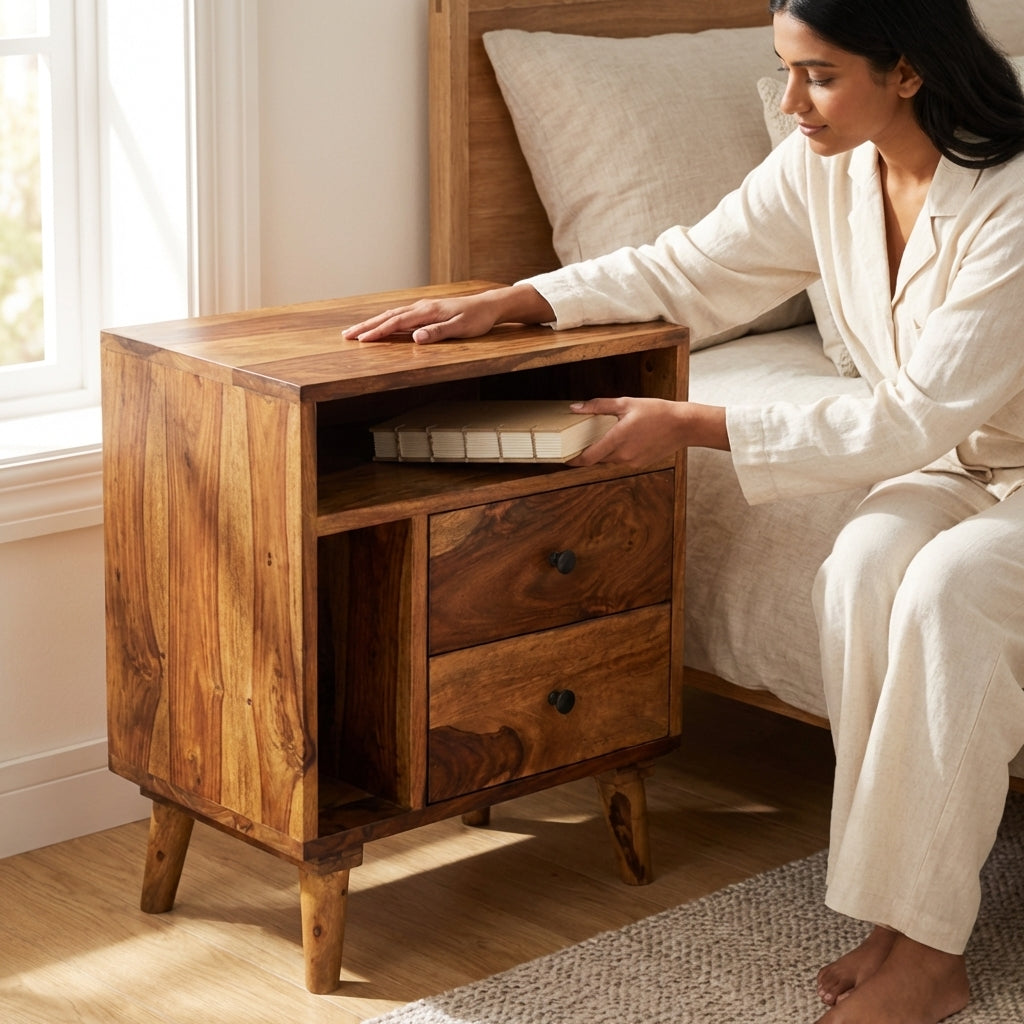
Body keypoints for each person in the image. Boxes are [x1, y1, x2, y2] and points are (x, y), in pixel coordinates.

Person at [344, 1, 1024, 1020]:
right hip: (962, 463)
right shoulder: (826, 165)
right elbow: (689, 266)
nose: (789, 101)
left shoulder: (1012, 200)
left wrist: (694, 422)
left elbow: (911, 413)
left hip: (964, 446)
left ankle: (928, 954)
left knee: (946, 588)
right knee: (859, 563)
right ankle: (893, 918)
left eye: (818, 75)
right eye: (785, 71)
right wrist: (516, 300)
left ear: (909, 72)